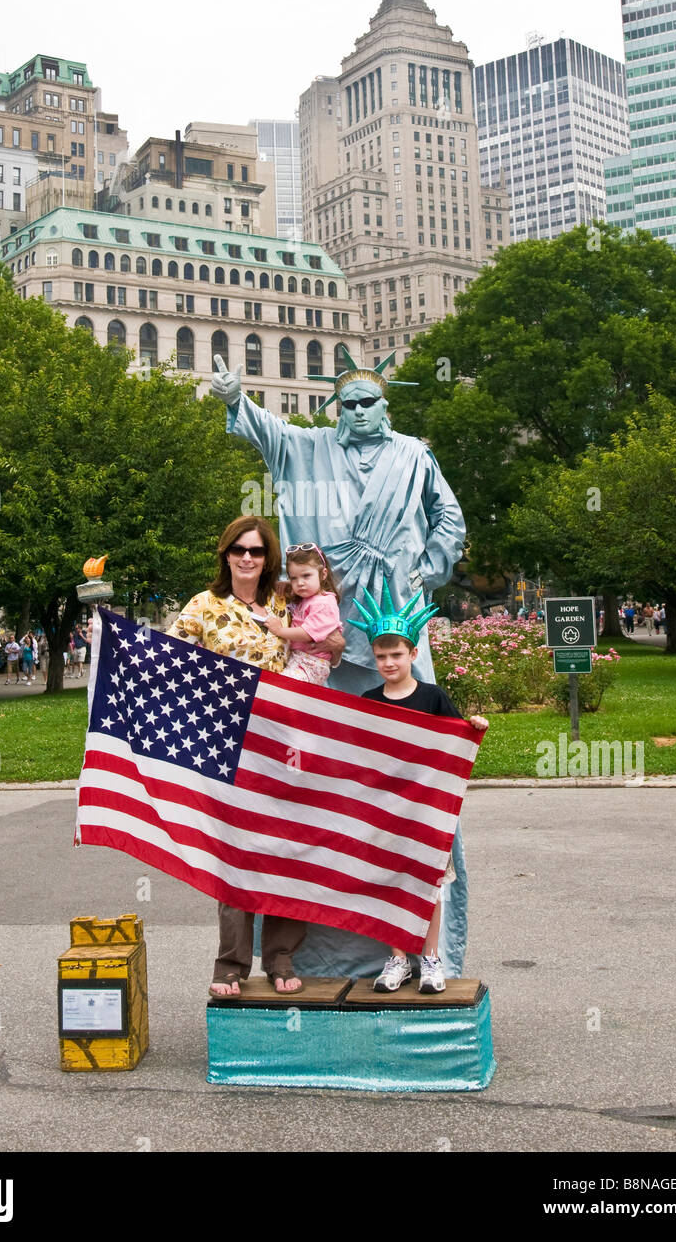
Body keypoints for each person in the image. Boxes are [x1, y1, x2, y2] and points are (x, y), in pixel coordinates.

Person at [211, 349, 471, 981]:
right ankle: (305, 951)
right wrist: (233, 398)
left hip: (397, 634)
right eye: (348, 403)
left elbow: (451, 519)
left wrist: (427, 566)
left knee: (413, 772)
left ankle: (420, 948)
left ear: (387, 405)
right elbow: (269, 430)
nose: (358, 413)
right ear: (337, 408)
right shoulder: (309, 449)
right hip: (318, 645)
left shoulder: (415, 454)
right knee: (311, 779)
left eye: (369, 403)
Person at [167, 516, 345, 999]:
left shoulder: (285, 599)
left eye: (259, 551)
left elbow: (327, 642)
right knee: (235, 850)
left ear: (268, 559)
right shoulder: (203, 606)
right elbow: (169, 662)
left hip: (286, 740)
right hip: (228, 742)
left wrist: (334, 644)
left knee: (287, 845)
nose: (249, 558)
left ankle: (281, 953)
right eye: (240, 549)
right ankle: (231, 962)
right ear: (226, 554)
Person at [347, 583, 488, 993]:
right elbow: (358, 752)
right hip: (386, 812)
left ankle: (430, 959)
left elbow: (455, 743)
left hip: (425, 812)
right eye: (381, 656)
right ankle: (397, 959)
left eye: (397, 654)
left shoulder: (432, 697)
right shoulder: (369, 700)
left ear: (413, 654)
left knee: (427, 886)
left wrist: (474, 726)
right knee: (391, 884)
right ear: (374, 659)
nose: (389, 662)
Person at [256, 543, 341, 686]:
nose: (300, 583)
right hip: (299, 659)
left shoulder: (324, 603)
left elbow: (308, 633)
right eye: (294, 578)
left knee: (279, 688)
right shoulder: (308, 599)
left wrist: (279, 630)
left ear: (323, 574)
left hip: (311, 663)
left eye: (306, 576)